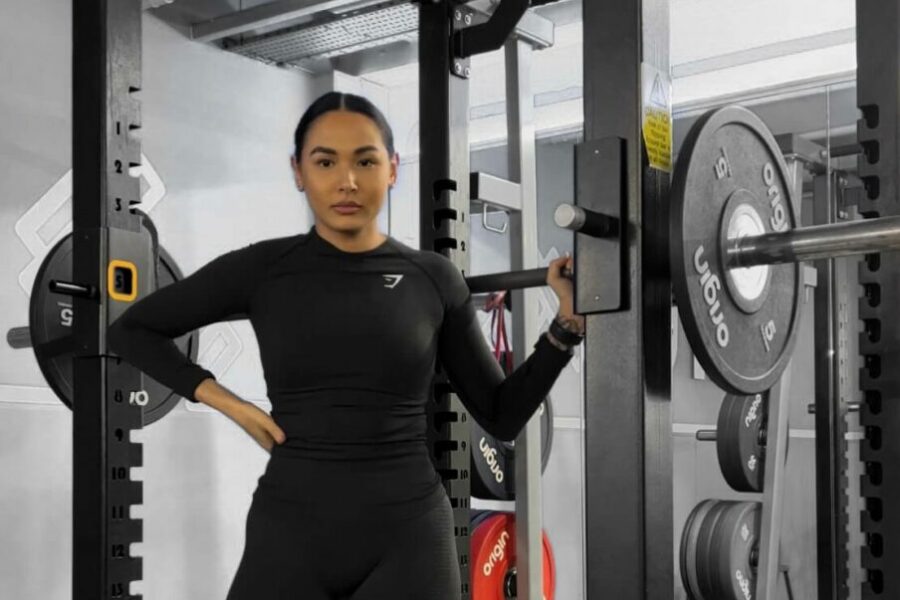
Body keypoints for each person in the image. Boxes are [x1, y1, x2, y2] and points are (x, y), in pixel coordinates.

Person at [106, 91, 585, 600]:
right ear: (298, 171)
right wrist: (231, 404)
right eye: (325, 161)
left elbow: (500, 413)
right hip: (291, 527)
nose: (347, 180)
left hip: (408, 535)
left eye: (365, 160)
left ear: (393, 169)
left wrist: (565, 329)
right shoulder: (265, 269)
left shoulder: (434, 279)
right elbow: (132, 331)